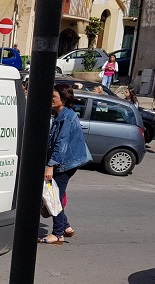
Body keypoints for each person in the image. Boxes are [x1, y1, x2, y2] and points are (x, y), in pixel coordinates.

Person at [39, 84, 92, 245]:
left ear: (64, 99)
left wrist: (50, 166)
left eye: (54, 97)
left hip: (65, 164)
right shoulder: (61, 115)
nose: (51, 99)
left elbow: (61, 144)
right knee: (56, 195)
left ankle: (58, 233)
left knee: (53, 197)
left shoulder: (67, 117)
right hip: (66, 162)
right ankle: (66, 227)